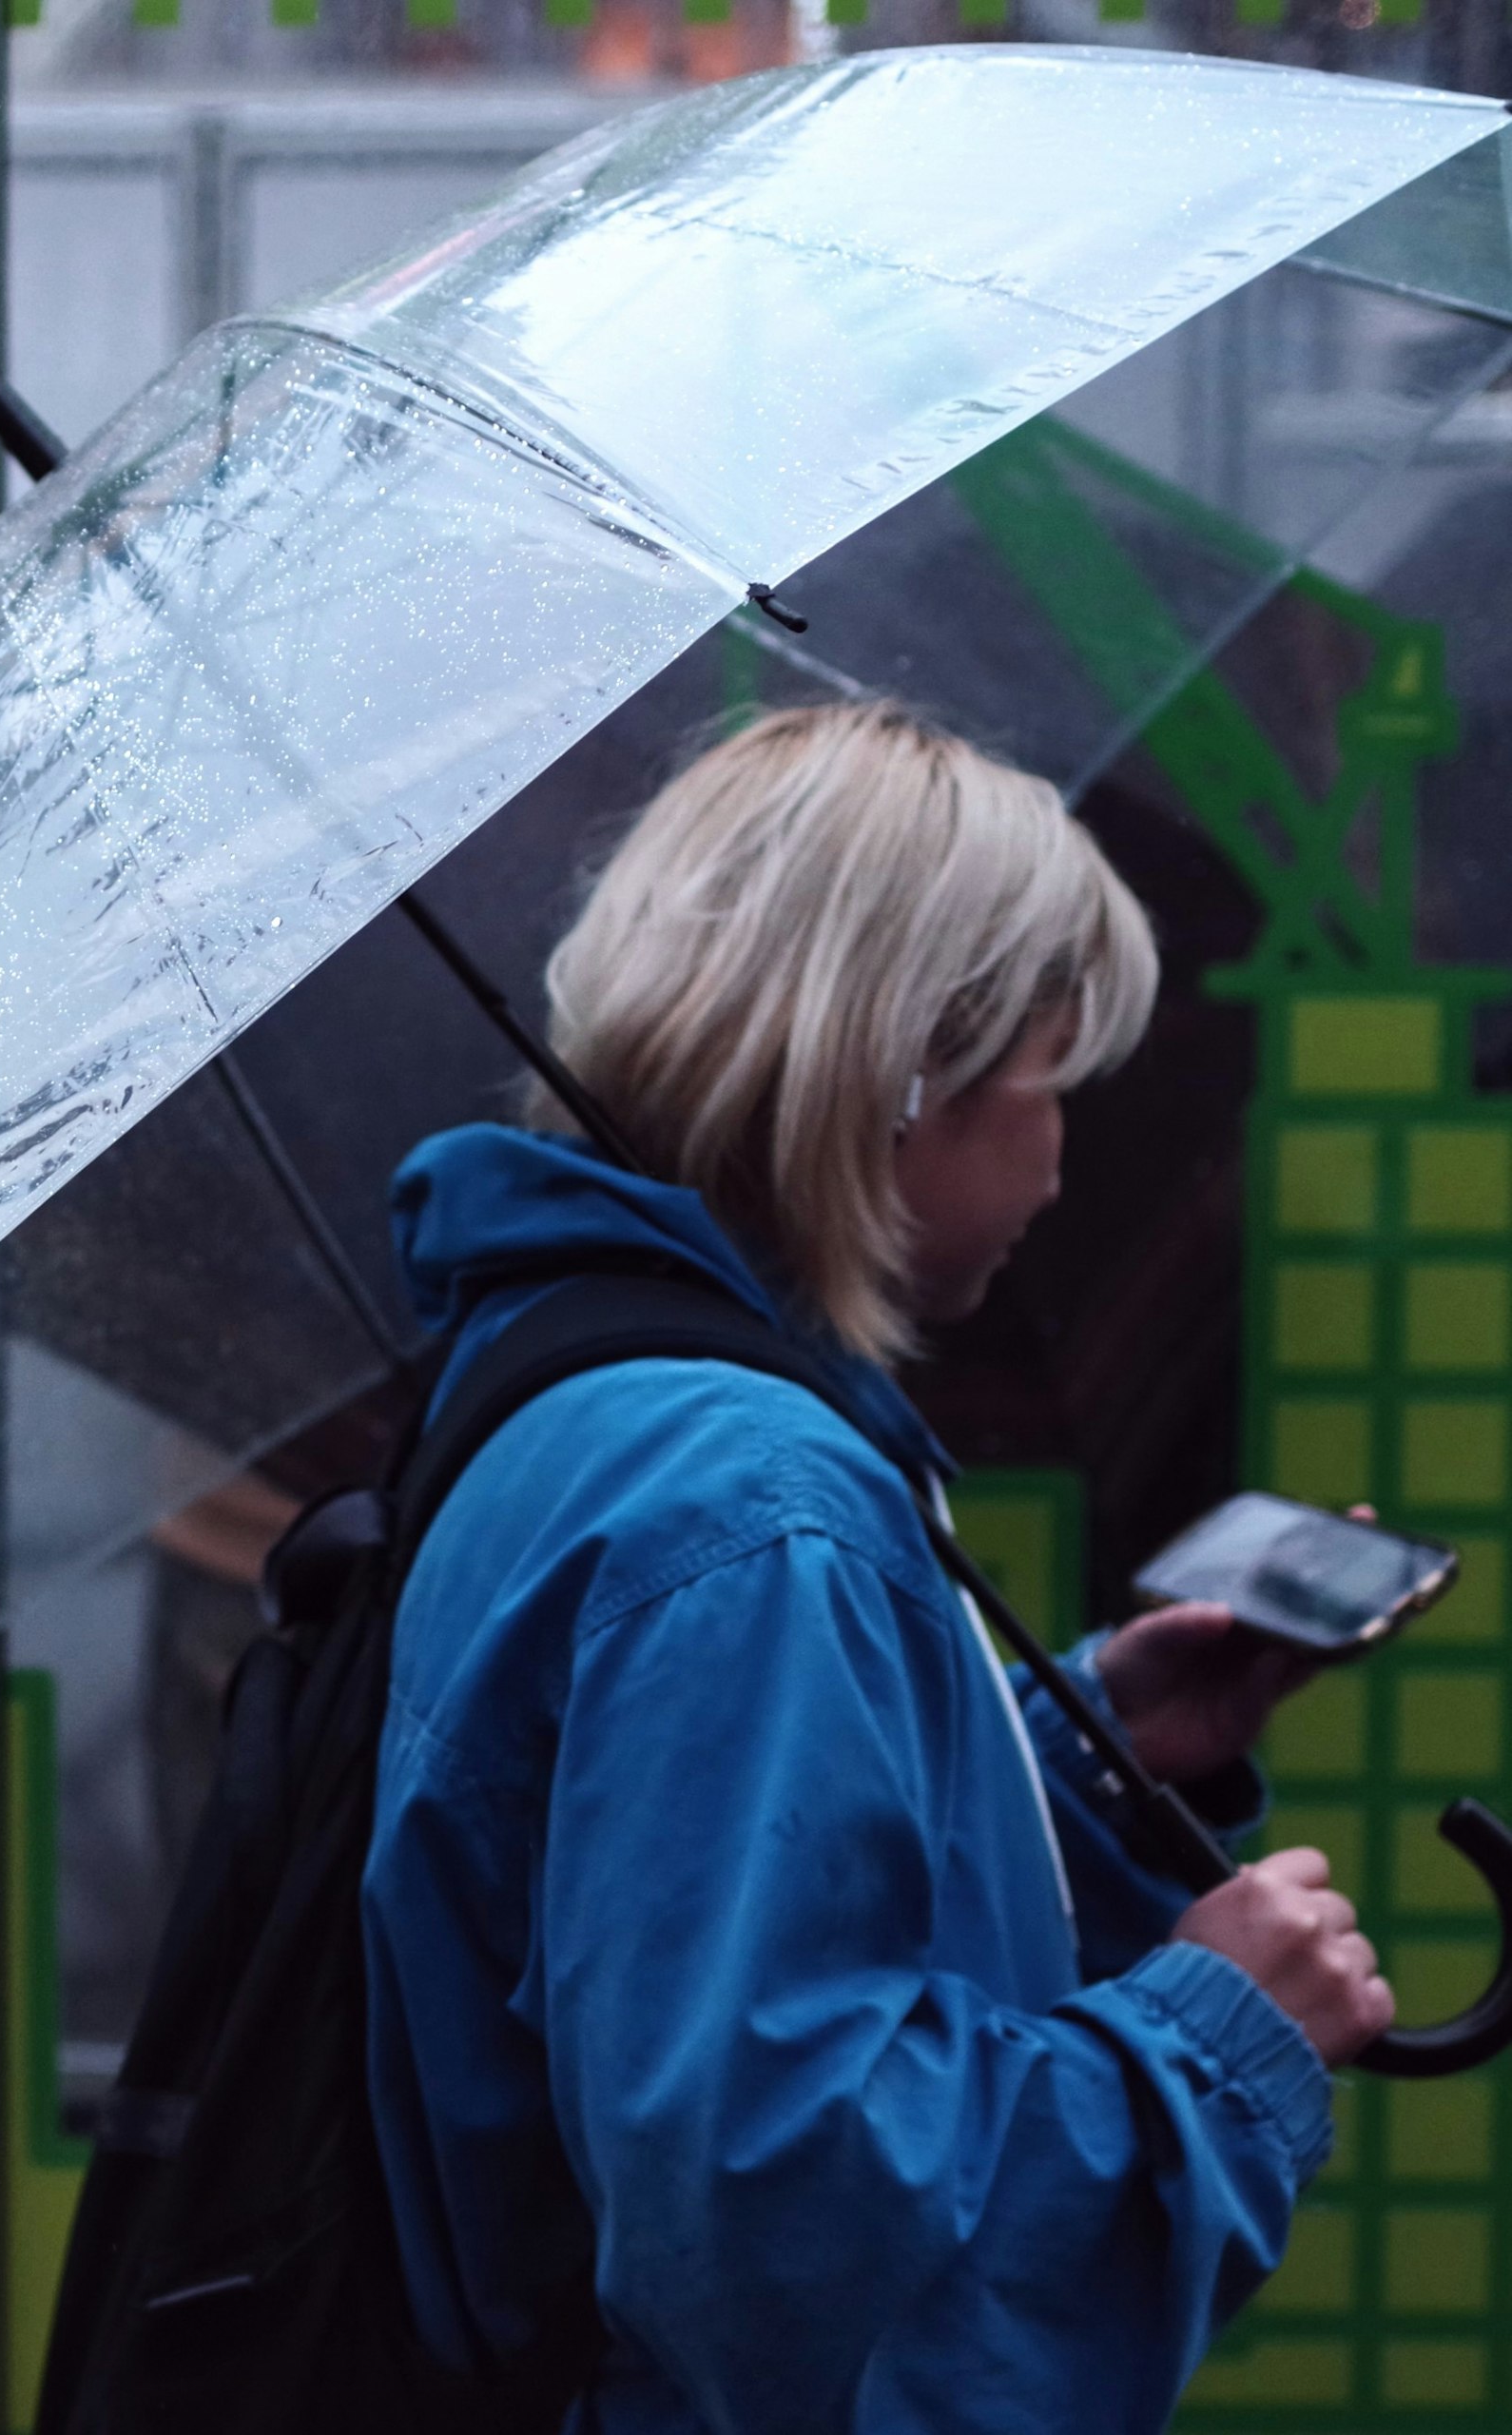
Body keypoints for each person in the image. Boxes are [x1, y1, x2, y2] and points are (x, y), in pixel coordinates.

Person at [368, 699, 1382, 2432]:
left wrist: (1074, 1760)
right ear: (904, 1071)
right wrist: (1213, 2040)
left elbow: (668, 1943)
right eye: (1053, 1078)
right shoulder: (750, 1512)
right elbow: (791, 2247)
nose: (1066, 1156)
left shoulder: (598, 1407)